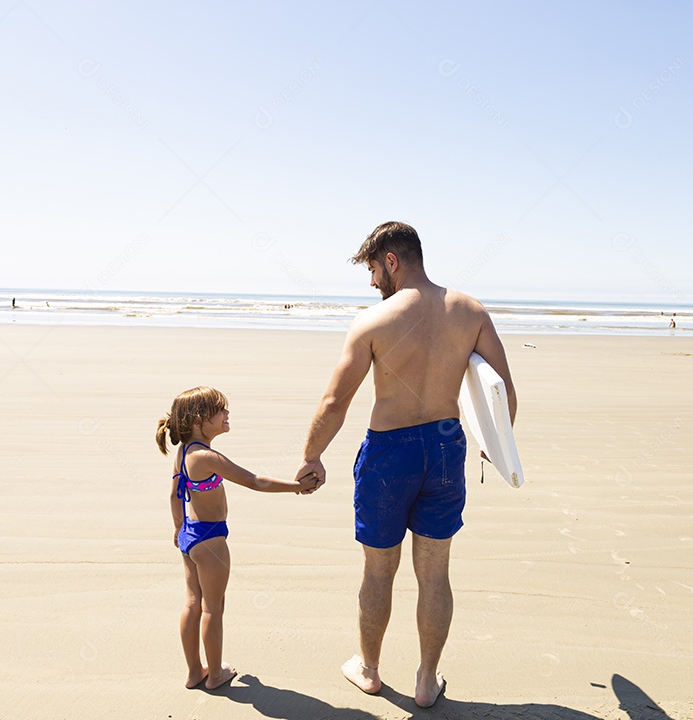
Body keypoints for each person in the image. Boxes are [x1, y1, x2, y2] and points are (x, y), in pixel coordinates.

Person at [296, 221, 516, 708]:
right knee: (435, 571)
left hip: (389, 450)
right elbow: (503, 390)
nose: (372, 282)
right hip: (444, 445)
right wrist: (495, 445)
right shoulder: (470, 311)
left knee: (379, 569)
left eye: (374, 270)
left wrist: (311, 456)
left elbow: (336, 401)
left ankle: (369, 670)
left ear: (392, 261)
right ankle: (426, 679)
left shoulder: (373, 323)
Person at [156, 386, 320, 690]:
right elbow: (255, 481)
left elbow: (173, 492)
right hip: (211, 540)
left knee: (193, 602)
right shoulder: (206, 456)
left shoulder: (184, 452)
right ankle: (215, 674)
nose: (227, 414)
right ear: (198, 419)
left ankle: (195, 672)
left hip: (191, 533)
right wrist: (296, 486)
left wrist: (178, 527)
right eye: (221, 410)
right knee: (212, 609)